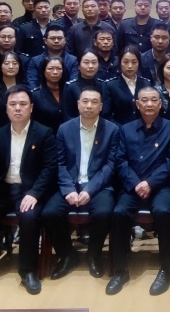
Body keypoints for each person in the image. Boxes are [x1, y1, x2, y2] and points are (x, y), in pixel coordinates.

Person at [0, 85, 57, 295]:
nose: (18, 108)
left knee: (29, 217)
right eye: (13, 104)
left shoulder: (44, 133)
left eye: (23, 104)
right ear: (6, 108)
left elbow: (49, 168)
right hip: (3, 191)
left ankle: (28, 272)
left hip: (29, 191)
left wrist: (34, 193)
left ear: (31, 108)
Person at [106, 87, 170, 296]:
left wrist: (150, 183)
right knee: (119, 213)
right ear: (137, 104)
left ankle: (166, 270)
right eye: (144, 100)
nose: (149, 104)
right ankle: (120, 271)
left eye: (154, 100)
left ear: (160, 104)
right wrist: (136, 183)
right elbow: (120, 161)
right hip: (133, 185)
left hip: (161, 186)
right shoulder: (125, 129)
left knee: (163, 212)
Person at [43, 87, 121, 280]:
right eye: (85, 101)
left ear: (101, 106)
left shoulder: (112, 130)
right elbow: (60, 164)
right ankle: (67, 255)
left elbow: (110, 165)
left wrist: (90, 190)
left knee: (104, 212)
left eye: (94, 102)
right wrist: (68, 189)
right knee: (49, 213)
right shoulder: (65, 129)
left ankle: (94, 254)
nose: (89, 106)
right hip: (70, 184)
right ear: (78, 104)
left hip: (98, 185)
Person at [103, 46, 151, 125]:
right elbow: (107, 115)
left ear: (139, 63)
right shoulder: (110, 85)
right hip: (120, 129)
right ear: (120, 63)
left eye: (134, 62)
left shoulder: (146, 83)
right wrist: (122, 129)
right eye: (126, 62)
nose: (130, 66)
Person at [62, 50, 105, 119]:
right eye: (86, 62)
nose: (90, 66)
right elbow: (67, 115)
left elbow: (106, 113)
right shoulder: (70, 87)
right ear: (79, 66)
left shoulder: (103, 85)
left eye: (94, 62)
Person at [0, 51, 25, 128]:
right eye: (6, 63)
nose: (11, 67)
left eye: (14, 63)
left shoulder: (25, 89)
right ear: (0, 66)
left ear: (19, 66)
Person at [31, 56, 69, 132]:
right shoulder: (35, 95)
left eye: (59, 68)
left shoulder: (69, 91)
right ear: (43, 71)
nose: (55, 72)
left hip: (68, 134)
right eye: (50, 68)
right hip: (45, 135)